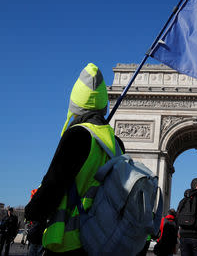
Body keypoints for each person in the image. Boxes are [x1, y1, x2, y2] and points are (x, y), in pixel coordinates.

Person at [24, 63, 125, 256]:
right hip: (104, 239)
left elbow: (53, 184)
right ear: (104, 104)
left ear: (76, 103)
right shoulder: (117, 143)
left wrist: (32, 212)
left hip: (71, 241)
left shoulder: (77, 135)